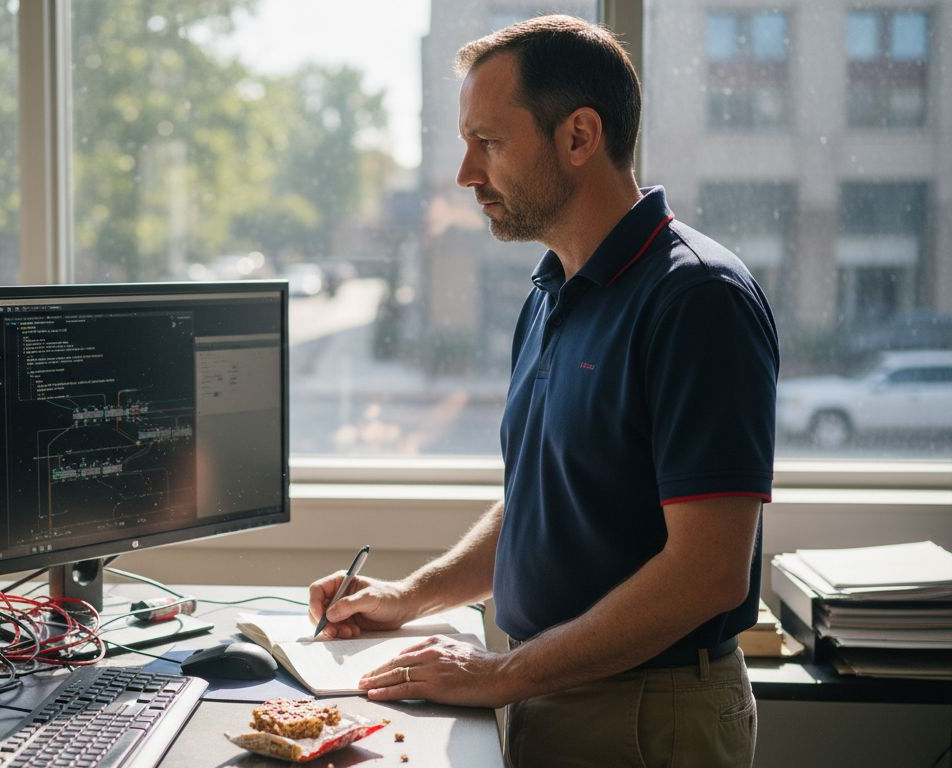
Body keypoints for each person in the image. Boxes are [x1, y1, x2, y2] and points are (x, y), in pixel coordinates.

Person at [307, 15, 777, 767]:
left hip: (646, 714)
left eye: (487, 143)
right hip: (550, 686)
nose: (466, 173)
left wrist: (502, 673)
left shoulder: (697, 298)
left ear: (579, 137)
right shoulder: (553, 290)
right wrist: (411, 594)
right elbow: (550, 493)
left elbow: (710, 573)